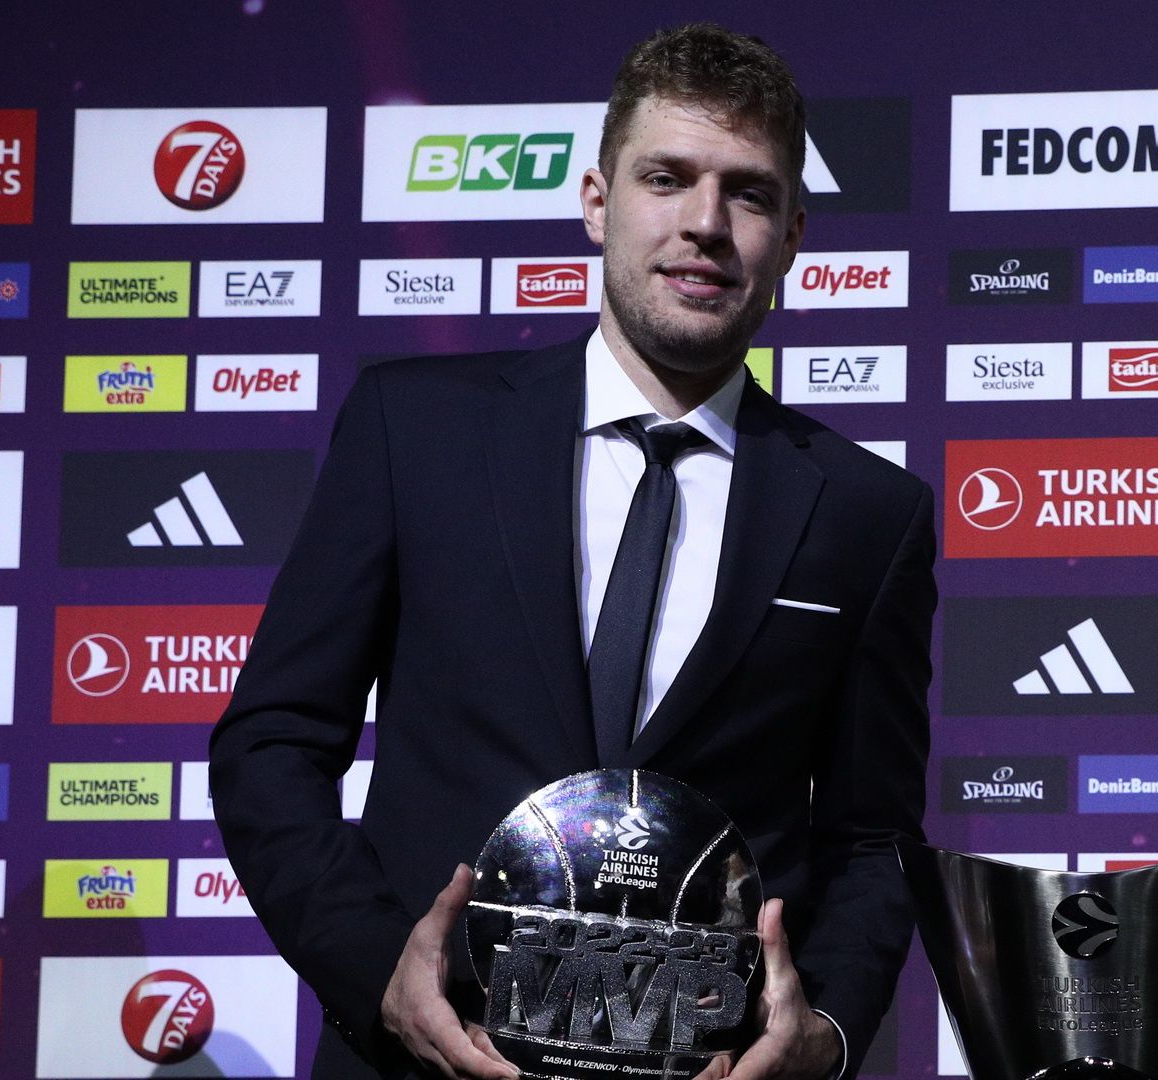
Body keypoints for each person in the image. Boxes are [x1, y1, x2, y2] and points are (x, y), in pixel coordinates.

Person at [209, 23, 934, 1080]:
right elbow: (271, 744)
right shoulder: (416, 432)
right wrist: (378, 974)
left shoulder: (869, 512)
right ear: (597, 201)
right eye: (666, 178)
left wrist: (821, 1034)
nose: (704, 224)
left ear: (791, 235)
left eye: (747, 193)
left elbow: (872, 840)